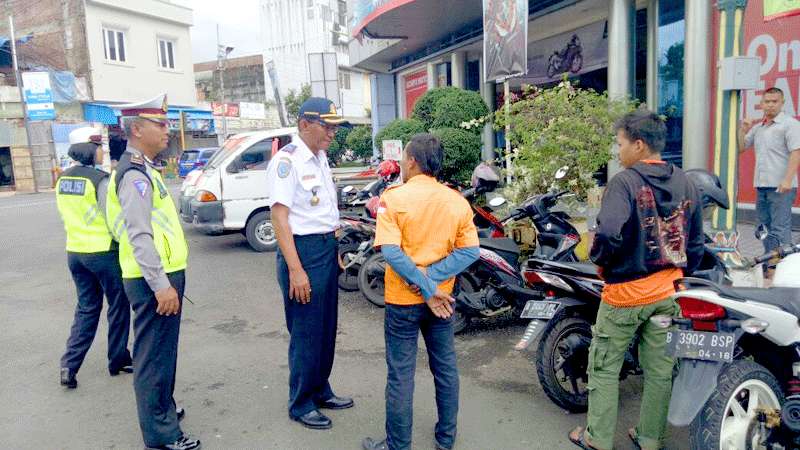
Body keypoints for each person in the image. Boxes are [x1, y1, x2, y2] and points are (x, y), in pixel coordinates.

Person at [568, 110, 704, 450]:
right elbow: (697, 242)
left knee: (604, 367)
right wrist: (682, 275)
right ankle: (650, 438)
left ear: (639, 145)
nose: (619, 152)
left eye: (620, 144)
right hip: (667, 295)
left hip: (625, 297)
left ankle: (597, 438)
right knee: (659, 371)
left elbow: (609, 232)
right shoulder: (686, 181)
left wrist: (601, 263)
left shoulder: (625, 182)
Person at [362, 133, 480, 450]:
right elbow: (470, 252)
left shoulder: (394, 197)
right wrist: (432, 282)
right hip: (441, 301)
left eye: (403, 158)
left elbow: (390, 251)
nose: (401, 163)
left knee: (401, 375)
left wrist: (422, 282)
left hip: (403, 300)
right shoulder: (457, 201)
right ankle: (446, 439)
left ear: (412, 161)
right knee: (445, 368)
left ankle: (398, 445)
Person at [105, 94, 199, 450]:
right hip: (152, 281)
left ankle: (163, 410)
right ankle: (161, 435)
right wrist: (160, 285)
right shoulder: (133, 175)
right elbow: (138, 235)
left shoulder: (144, 169)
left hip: (162, 274)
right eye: (160, 124)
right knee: (153, 358)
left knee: (163, 353)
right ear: (137, 129)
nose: (167, 130)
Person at [266, 97, 353, 430]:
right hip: (301, 252)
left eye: (334, 127)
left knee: (326, 328)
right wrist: (296, 269)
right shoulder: (287, 161)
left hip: (324, 249)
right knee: (306, 331)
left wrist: (333, 251)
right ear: (304, 124)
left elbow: (324, 211)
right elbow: (280, 218)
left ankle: (320, 389)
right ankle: (301, 402)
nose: (332, 133)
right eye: (327, 126)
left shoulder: (319, 158)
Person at [56, 127, 132, 389]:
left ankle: (69, 366)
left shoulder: (62, 179)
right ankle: (118, 358)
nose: (102, 152)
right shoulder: (100, 180)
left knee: (87, 309)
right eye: (99, 147)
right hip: (103, 252)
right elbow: (113, 219)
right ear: (90, 149)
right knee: (118, 305)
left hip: (75, 253)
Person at [739, 87, 800, 267]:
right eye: (767, 101)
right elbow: (741, 147)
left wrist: (788, 179)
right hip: (762, 186)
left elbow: (796, 152)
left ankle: (785, 267)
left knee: (780, 228)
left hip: (781, 186)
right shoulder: (759, 128)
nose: (771, 105)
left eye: (775, 101)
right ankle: (770, 264)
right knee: (763, 229)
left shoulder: (790, 124)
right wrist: (743, 130)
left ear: (782, 103)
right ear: (761, 104)